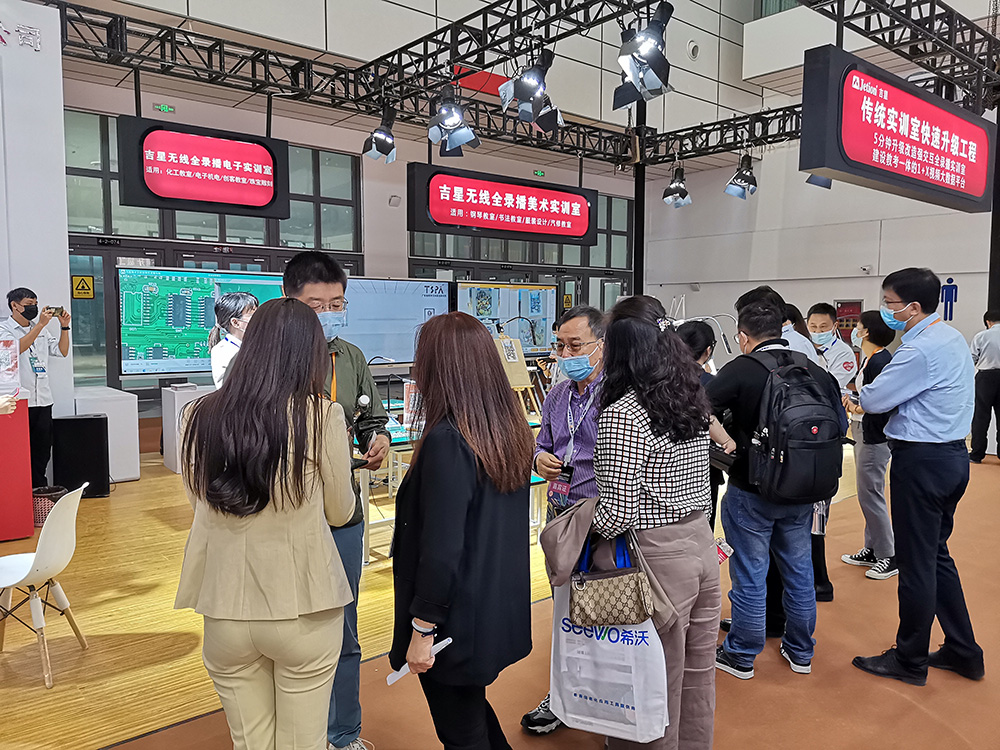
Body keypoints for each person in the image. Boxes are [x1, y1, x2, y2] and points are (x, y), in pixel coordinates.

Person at [175, 298, 357, 749]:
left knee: (250, 743)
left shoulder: (197, 415)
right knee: (303, 742)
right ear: (310, 354)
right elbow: (340, 512)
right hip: (303, 603)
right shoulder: (322, 415)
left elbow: (198, 501)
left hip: (224, 603)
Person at [390, 312, 534, 750]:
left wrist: (422, 630)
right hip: (490, 605)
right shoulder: (505, 430)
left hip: (452, 620)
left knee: (459, 730)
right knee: (470, 712)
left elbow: (441, 550)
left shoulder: (448, 440)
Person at [593, 295, 721, 749]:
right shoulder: (689, 397)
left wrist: (578, 523)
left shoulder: (623, 413)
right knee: (696, 679)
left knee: (646, 688)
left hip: (654, 559)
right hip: (701, 544)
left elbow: (618, 513)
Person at [853, 268, 984, 686]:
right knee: (935, 556)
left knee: (915, 564)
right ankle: (964, 651)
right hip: (951, 458)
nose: (885, 311)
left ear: (912, 307)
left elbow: (875, 399)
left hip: (922, 462)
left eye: (889, 303)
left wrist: (857, 394)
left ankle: (909, 659)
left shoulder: (919, 351)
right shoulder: (951, 338)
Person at [282, 251, 390, 750]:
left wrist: (377, 440)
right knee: (288, 624)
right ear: (289, 301)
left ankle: (343, 733)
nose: (328, 314)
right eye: (316, 305)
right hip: (284, 513)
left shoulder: (349, 357)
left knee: (343, 624)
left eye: (337, 304)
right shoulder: (268, 361)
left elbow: (371, 419)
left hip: (342, 509)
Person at [708, 301, 844, 680]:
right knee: (799, 570)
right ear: (783, 329)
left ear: (743, 336)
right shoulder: (813, 369)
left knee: (751, 572)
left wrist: (725, 438)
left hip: (751, 488)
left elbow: (698, 407)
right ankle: (801, 651)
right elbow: (839, 420)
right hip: (804, 489)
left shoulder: (741, 368)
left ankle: (741, 654)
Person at [522, 305, 605, 736]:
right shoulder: (557, 396)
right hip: (560, 513)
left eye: (575, 346)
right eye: (560, 346)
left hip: (602, 517)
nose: (566, 354)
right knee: (563, 611)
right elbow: (541, 443)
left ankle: (605, 698)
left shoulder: (617, 398)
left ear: (600, 346)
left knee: (605, 610)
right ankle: (561, 695)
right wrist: (539, 459)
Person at [840, 311, 897, 580]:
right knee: (867, 491)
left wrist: (856, 407)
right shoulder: (871, 359)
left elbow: (882, 400)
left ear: (867, 332)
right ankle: (873, 548)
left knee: (870, 493)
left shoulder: (881, 361)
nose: (855, 330)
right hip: (864, 429)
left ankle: (888, 554)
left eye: (859, 326)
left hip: (874, 434)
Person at [0, 289, 70, 488]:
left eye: (36, 303)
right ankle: (21, 492)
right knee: (19, 451)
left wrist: (64, 327)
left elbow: (62, 351)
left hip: (43, 399)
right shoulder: (4, 329)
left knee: (42, 451)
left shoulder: (41, 330)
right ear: (15, 305)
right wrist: (40, 325)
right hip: (19, 402)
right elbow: (15, 350)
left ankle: (39, 491)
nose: (34, 308)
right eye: (29, 304)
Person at [676, 320, 735, 530]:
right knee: (702, 528)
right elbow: (714, 419)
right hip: (704, 467)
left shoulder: (657, 379)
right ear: (708, 350)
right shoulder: (711, 382)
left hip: (664, 468)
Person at [969, 309, 1000, 463]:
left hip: (985, 377)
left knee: (980, 417)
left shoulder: (981, 336)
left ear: (988, 322)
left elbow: (972, 358)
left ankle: (977, 454)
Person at [208, 292, 258, 388]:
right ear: (235, 323)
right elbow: (229, 389)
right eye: (253, 315)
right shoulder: (222, 351)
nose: (259, 320)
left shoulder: (254, 345)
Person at [807, 302, 858, 394]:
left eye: (823, 327)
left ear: (835, 326)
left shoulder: (844, 353)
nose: (818, 331)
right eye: (813, 326)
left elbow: (832, 384)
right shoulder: (803, 346)